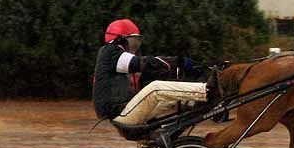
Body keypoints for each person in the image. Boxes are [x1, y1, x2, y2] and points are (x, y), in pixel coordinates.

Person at [92, 18, 220, 126]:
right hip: (120, 112)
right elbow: (143, 64)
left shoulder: (116, 57)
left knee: (167, 97)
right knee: (155, 88)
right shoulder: (109, 52)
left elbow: (147, 70)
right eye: (132, 41)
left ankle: (208, 106)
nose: (135, 46)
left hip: (124, 110)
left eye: (137, 42)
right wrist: (177, 62)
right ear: (119, 40)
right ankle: (207, 90)